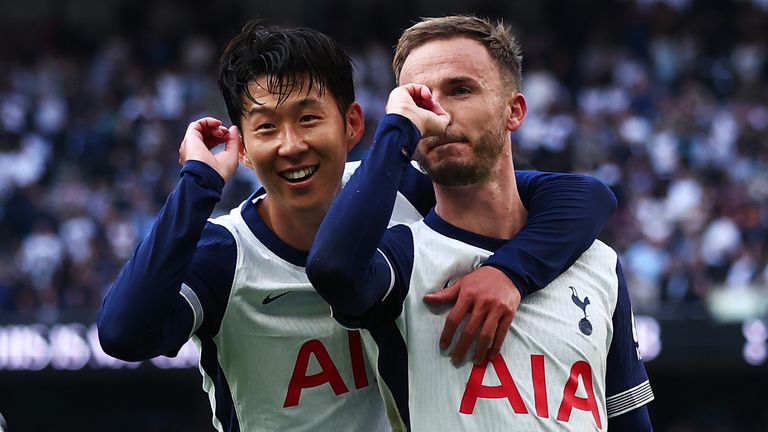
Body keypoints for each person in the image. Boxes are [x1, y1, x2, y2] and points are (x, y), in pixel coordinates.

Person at [97, 21, 616, 431]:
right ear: (247, 150)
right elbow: (123, 334)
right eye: (266, 128)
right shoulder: (225, 255)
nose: (291, 145)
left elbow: (585, 196)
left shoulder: (397, 188)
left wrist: (511, 271)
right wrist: (197, 183)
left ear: (352, 125)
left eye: (307, 118)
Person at [307, 15, 654, 431]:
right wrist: (397, 128)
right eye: (420, 100)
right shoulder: (402, 260)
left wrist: (508, 272)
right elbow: (332, 269)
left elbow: (631, 420)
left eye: (460, 90)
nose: (440, 115)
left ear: (515, 111)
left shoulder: (599, 264)